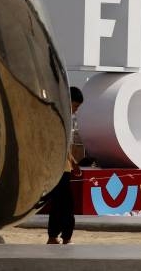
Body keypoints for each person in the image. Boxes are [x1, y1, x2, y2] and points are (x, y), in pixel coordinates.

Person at [47, 86, 84, 245]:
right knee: (66, 205)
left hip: (64, 167)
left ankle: (54, 236)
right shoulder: (56, 118)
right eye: (75, 106)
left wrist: (74, 163)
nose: (75, 111)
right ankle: (65, 237)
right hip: (58, 168)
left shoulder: (63, 118)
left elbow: (65, 146)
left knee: (59, 204)